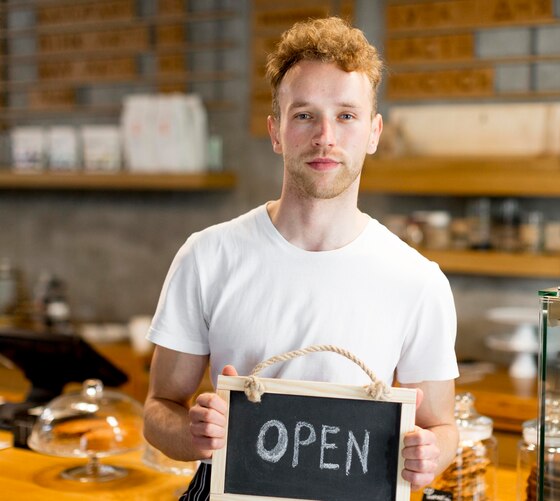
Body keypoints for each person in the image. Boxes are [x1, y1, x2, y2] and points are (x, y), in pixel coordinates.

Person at [143, 16, 459, 499]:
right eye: (304, 114)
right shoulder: (208, 256)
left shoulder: (418, 281)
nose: (325, 137)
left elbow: (443, 427)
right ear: (276, 131)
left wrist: (430, 453)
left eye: (346, 116)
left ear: (373, 133)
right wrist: (192, 433)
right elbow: (159, 406)